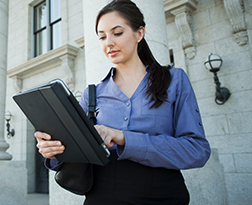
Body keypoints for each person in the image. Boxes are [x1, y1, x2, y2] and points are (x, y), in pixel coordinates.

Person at [34, 0, 211, 204]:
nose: (108, 43)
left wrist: (123, 138)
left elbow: (197, 151)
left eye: (117, 33)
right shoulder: (92, 94)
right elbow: (76, 151)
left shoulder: (174, 80)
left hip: (163, 195)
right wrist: (53, 150)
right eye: (102, 37)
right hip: (102, 196)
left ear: (139, 34)